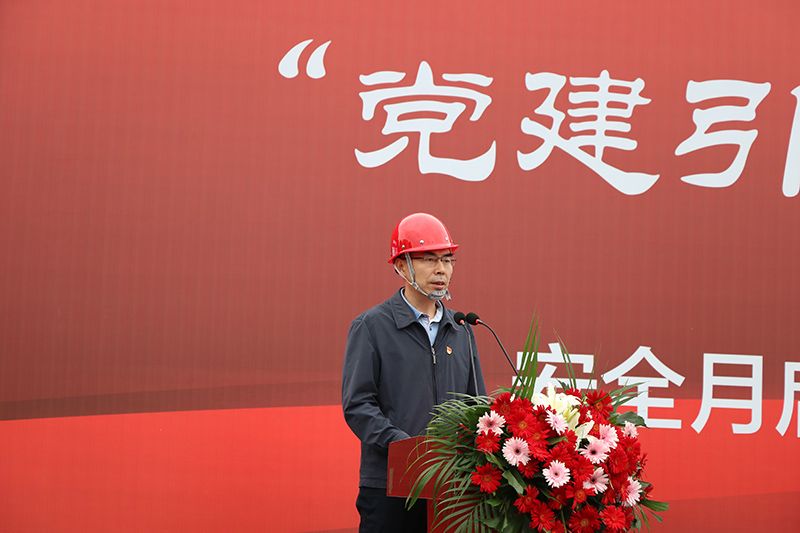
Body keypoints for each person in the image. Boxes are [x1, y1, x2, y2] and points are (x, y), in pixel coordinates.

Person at [342, 212, 487, 533]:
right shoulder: (372, 326)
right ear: (401, 266)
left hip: (452, 486)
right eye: (429, 259)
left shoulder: (461, 329)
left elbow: (476, 405)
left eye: (447, 259)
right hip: (390, 484)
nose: (441, 269)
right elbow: (358, 404)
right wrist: (405, 447)